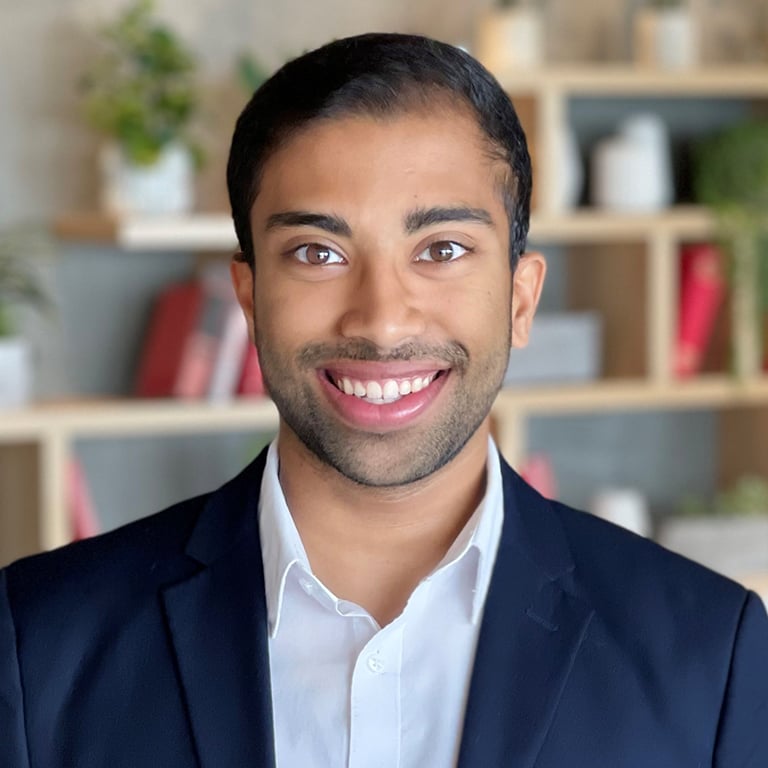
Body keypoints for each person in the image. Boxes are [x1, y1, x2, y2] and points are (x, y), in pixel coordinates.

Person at [1, 32, 767, 768]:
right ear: (249, 295)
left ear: (521, 299)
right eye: (317, 253)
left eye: (442, 250)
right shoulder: (40, 641)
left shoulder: (709, 654)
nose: (382, 319)